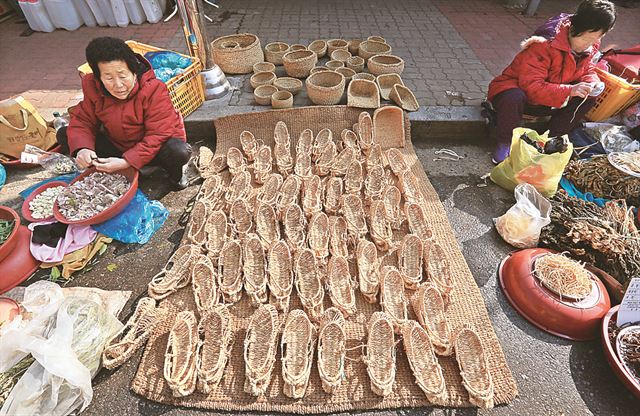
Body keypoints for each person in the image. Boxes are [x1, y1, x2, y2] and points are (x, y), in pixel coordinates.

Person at [486, 0, 617, 163]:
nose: (589, 45)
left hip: (549, 100)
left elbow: (588, 70)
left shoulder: (591, 44)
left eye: (595, 39)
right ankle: (504, 142)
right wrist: (570, 90)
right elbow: (531, 86)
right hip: (519, 95)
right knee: (514, 96)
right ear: (577, 28)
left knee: (589, 97)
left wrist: (592, 82)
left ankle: (552, 140)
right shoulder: (544, 43)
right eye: (587, 39)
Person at [57, 37, 192, 189]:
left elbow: (158, 135)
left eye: (123, 76)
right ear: (99, 78)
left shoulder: (154, 89)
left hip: (156, 150)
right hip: (120, 145)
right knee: (66, 134)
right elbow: (83, 120)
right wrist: (83, 148)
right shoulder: (92, 86)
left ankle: (174, 176)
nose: (118, 85)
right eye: (108, 78)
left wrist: (127, 161)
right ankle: (129, 171)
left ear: (134, 72)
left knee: (178, 151)